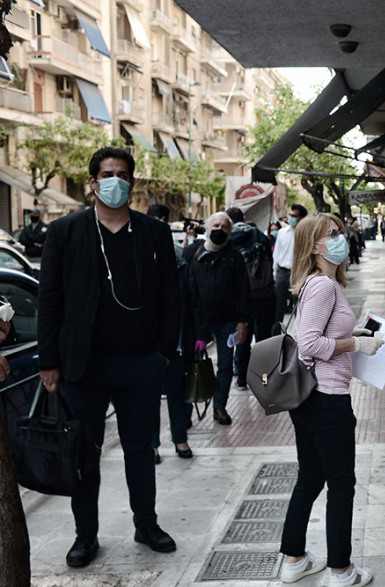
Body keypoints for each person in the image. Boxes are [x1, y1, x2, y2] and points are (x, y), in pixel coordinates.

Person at [37, 147, 181, 567]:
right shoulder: (65, 232)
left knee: (141, 449)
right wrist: (49, 362)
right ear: (93, 182)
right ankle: (85, 535)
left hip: (141, 364)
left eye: (122, 174)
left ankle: (146, 523)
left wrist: (166, 352)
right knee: (85, 453)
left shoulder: (154, 232)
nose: (114, 180)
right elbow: (49, 299)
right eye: (106, 174)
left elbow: (171, 295)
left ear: (132, 183)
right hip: (85, 366)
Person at [278, 212, 384, 586]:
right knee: (341, 483)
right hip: (327, 398)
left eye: (340, 231)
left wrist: (352, 331)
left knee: (310, 477)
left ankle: (293, 560)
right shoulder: (323, 286)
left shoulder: (316, 284)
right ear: (314, 247)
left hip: (307, 397)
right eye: (333, 234)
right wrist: (357, 343)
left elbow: (317, 333)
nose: (341, 237)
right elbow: (310, 344)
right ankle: (341, 570)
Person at [146, 204, 206, 462]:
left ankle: (180, 439)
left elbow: (195, 305)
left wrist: (201, 337)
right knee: (147, 399)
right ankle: (152, 445)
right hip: (147, 348)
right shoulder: (139, 268)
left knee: (179, 396)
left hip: (179, 345)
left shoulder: (181, 267)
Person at [182, 212, 249, 426]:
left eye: (224, 226)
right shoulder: (191, 252)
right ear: (207, 228)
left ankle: (219, 407)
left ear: (230, 231)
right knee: (189, 367)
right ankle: (185, 413)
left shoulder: (235, 256)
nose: (219, 229)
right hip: (195, 322)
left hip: (227, 321)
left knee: (226, 366)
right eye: (216, 225)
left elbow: (243, 291)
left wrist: (242, 321)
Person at [226, 206, 276, 392]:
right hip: (264, 294)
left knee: (242, 339)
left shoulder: (229, 239)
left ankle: (241, 379)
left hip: (241, 299)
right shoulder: (259, 235)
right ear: (244, 218)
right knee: (264, 340)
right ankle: (264, 380)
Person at [273, 204, 307, 324]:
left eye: (294, 216)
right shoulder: (282, 232)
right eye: (290, 215)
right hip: (282, 272)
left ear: (301, 218)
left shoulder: (305, 235)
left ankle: (300, 338)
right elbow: (276, 253)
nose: (291, 218)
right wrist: (274, 272)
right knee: (278, 306)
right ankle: (276, 337)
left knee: (299, 306)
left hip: (299, 273)